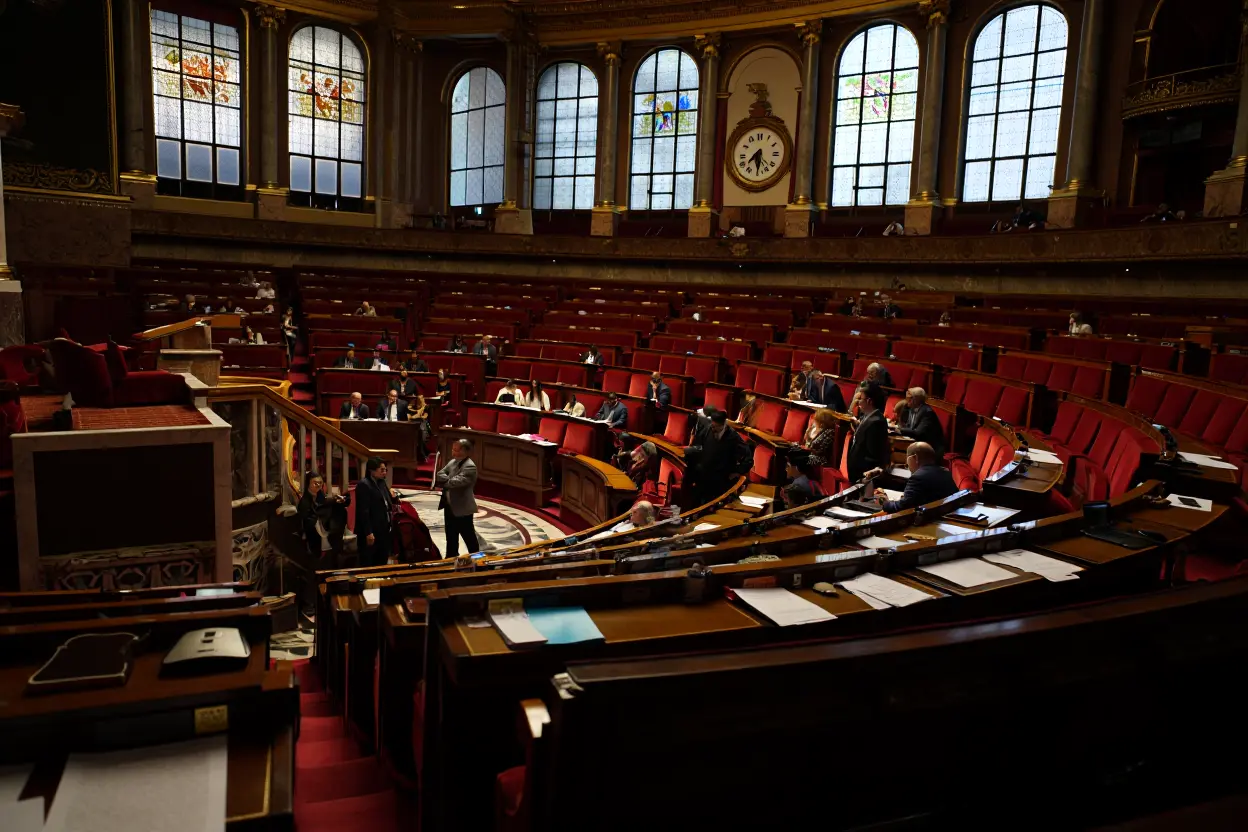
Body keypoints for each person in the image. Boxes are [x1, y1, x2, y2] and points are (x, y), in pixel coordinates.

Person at [686, 410, 751, 506]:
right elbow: (696, 447)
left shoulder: (733, 437)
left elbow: (748, 459)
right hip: (704, 476)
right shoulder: (707, 430)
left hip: (722, 479)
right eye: (712, 425)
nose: (712, 428)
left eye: (715, 427)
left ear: (723, 424)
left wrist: (737, 472)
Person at [878, 442, 958, 512]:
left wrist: (886, 503)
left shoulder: (918, 477)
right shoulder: (946, 472)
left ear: (915, 458)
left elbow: (903, 507)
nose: (906, 464)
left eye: (907, 458)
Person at [435, 438, 480, 558]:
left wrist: (445, 480)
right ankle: (450, 558)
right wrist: (447, 479)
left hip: (462, 509)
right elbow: (440, 474)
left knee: (469, 537)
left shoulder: (470, 467)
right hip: (449, 506)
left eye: (456, 450)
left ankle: (477, 560)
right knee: (451, 536)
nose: (453, 452)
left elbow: (455, 483)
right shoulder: (452, 462)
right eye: (452, 449)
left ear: (465, 451)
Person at [297, 471, 349, 567]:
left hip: (328, 537)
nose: (318, 485)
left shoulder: (321, 496)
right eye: (315, 482)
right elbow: (305, 523)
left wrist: (336, 501)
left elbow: (325, 505)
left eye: (320, 483)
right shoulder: (305, 502)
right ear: (308, 483)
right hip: (315, 540)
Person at [355, 457, 396, 567]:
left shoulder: (381, 483)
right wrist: (368, 532)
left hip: (383, 529)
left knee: (382, 560)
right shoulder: (364, 485)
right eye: (381, 470)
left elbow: (387, 500)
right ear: (372, 470)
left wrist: (394, 497)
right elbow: (363, 511)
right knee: (369, 562)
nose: (385, 472)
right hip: (371, 532)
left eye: (385, 470)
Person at [845, 383, 891, 482]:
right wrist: (857, 426)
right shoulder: (868, 416)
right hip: (856, 473)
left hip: (863, 476)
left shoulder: (876, 422)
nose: (858, 402)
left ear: (869, 401)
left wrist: (863, 477)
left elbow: (872, 455)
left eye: (860, 398)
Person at [894, 387, 944, 458]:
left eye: (909, 398)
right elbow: (908, 426)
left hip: (930, 449)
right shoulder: (911, 409)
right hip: (917, 444)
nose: (906, 400)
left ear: (916, 399)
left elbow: (919, 433)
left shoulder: (927, 412)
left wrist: (899, 430)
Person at [409, 393, 432, 461]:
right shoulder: (413, 406)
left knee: (421, 434)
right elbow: (411, 417)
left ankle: (423, 455)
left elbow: (423, 417)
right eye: (419, 399)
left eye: (422, 398)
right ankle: (424, 454)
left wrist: (422, 408)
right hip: (414, 425)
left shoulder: (427, 407)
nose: (421, 400)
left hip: (424, 425)